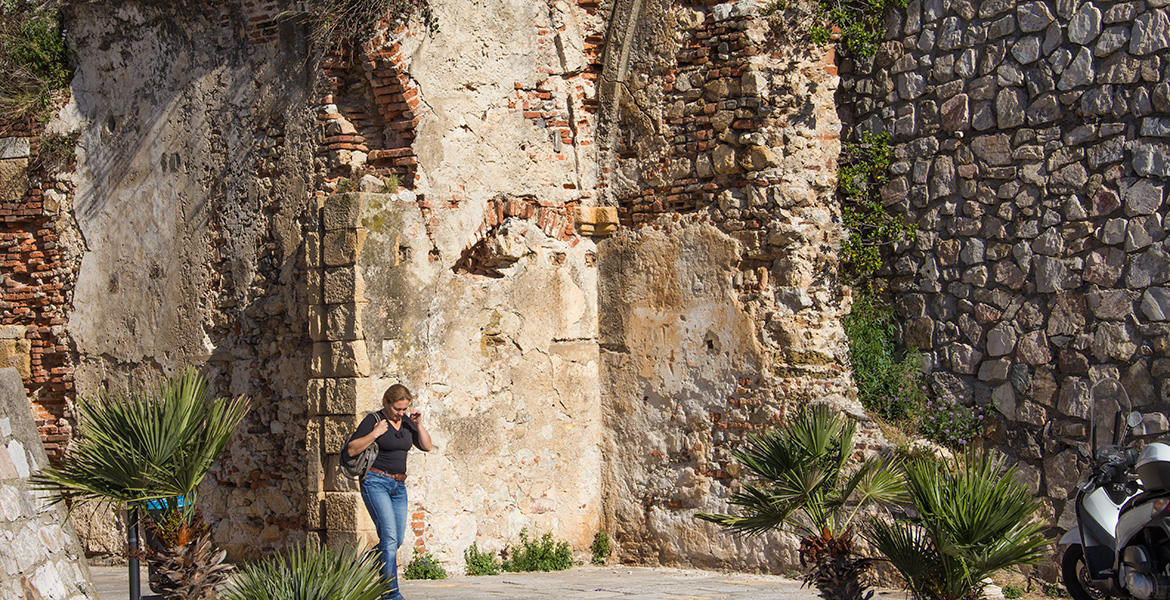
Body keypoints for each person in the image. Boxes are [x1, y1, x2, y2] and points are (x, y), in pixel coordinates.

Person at [344, 383, 433, 600]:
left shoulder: (406, 423)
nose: (400, 413)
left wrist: (418, 425)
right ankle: (391, 594)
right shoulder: (373, 421)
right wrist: (375, 434)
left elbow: (427, 446)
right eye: (397, 409)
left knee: (395, 540)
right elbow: (352, 449)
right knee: (390, 538)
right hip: (376, 482)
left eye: (404, 409)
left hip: (398, 486)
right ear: (386, 403)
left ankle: (357, 569)